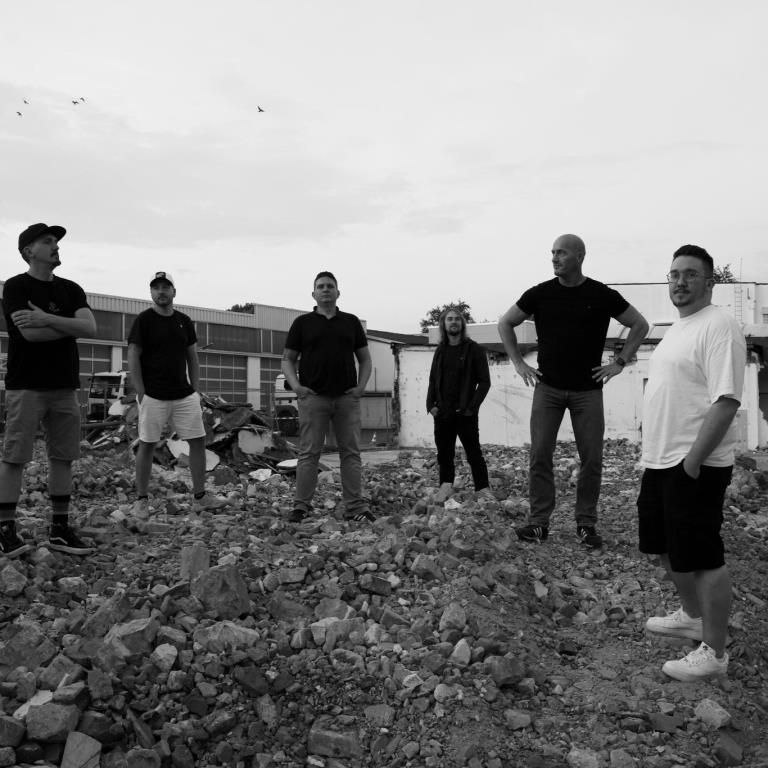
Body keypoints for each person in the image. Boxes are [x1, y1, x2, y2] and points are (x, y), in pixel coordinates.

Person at [498, 233, 649, 547]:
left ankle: (586, 525)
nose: (554, 258)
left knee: (591, 459)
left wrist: (620, 362)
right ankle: (538, 524)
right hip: (548, 389)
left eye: (562, 253)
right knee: (540, 455)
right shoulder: (540, 293)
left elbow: (640, 324)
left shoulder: (601, 294)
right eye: (553, 252)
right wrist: (518, 363)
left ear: (580, 256)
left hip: (587, 392)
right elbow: (505, 323)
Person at [639, 245, 745, 681]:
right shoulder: (679, 327)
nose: (680, 281)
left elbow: (726, 400)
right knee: (664, 545)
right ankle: (691, 617)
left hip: (693, 462)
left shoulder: (719, 325)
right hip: (661, 459)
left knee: (703, 557)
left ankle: (714, 653)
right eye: (674, 274)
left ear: (709, 281)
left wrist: (693, 462)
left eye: (690, 274)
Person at [0, 223, 97, 557]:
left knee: (63, 457)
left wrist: (48, 319)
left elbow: (90, 327)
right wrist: (69, 327)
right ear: (29, 251)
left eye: (56, 241)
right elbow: (30, 335)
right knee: (15, 457)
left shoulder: (71, 289)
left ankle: (59, 530)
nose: (56, 246)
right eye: (47, 241)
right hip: (26, 385)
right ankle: (4, 530)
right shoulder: (16, 287)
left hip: (64, 385)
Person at [127, 272, 227, 517]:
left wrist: (195, 389)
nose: (161, 291)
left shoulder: (184, 321)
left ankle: (200, 497)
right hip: (153, 395)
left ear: (174, 291)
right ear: (151, 292)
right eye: (156, 288)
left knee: (197, 442)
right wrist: (140, 391)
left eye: (165, 287)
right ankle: (141, 500)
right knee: (147, 445)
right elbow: (133, 354)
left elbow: (192, 356)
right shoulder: (144, 321)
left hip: (184, 395)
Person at [281, 271, 373, 523]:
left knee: (350, 453)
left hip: (346, 399)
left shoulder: (350, 322)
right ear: (313, 294)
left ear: (337, 292)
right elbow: (287, 359)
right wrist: (297, 387)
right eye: (320, 286)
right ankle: (301, 507)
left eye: (329, 286)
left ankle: (355, 506)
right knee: (309, 453)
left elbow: (365, 359)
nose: (325, 290)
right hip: (314, 398)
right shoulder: (302, 323)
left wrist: (360, 388)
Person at [426, 307, 494, 503]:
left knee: (474, 454)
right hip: (443, 413)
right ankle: (445, 487)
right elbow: (433, 379)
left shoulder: (474, 349)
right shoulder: (440, 350)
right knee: (444, 455)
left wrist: (471, 408)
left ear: (462, 324)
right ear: (444, 324)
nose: (453, 322)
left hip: (465, 413)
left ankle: (482, 489)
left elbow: (485, 382)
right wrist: (431, 406)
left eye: (457, 319)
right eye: (449, 319)